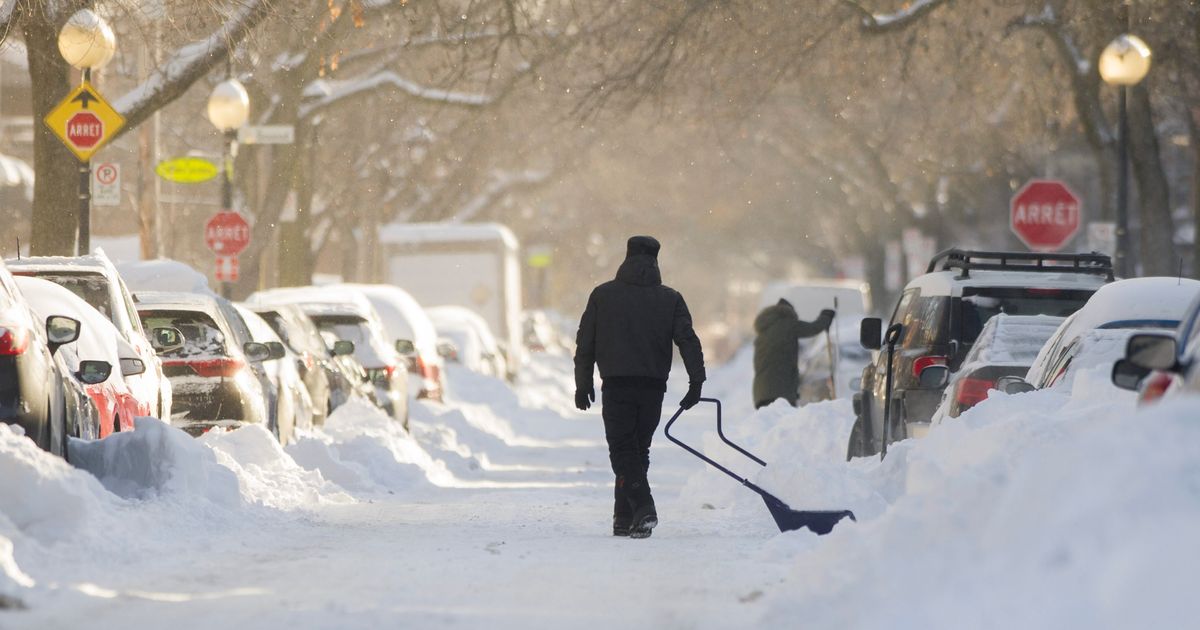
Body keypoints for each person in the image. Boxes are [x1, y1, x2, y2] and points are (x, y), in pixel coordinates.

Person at [574, 235, 706, 539]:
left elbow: (586, 344)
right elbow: (687, 340)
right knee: (637, 450)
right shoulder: (670, 298)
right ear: (656, 260)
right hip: (652, 387)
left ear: (627, 257)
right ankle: (624, 518)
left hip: (617, 385)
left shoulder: (603, 295)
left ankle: (644, 506)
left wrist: (583, 383)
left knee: (623, 450)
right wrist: (696, 380)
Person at [752, 299, 834, 409]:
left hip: (761, 392)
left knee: (767, 423)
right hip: (780, 390)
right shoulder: (787, 324)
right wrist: (826, 317)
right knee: (783, 423)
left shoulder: (764, 331)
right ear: (788, 312)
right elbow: (813, 328)